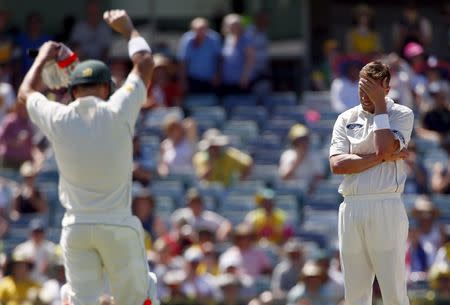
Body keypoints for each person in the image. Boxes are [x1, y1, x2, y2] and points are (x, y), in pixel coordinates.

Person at [17, 9, 156, 305]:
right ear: (106, 88)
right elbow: (144, 62)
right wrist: (129, 30)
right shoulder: (119, 108)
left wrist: (42, 56)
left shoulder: (58, 116)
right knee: (144, 296)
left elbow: (25, 93)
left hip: (76, 228)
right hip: (117, 225)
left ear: (72, 90)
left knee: (81, 301)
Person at [329, 61, 414, 305]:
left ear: (386, 88)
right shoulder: (346, 118)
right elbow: (337, 165)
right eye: (362, 89)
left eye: (373, 89)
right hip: (351, 206)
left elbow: (384, 145)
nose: (366, 96)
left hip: (386, 204)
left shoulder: (402, 114)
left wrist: (380, 107)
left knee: (393, 290)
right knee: (355, 293)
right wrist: (380, 158)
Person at [178, 17, 221, 94]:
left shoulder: (214, 38)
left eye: (203, 29)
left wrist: (217, 75)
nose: (200, 32)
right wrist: (183, 81)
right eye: (197, 29)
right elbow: (183, 61)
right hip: (193, 79)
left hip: (210, 79)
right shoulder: (187, 39)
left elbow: (218, 58)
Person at [279, 124, 325, 194]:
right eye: (300, 140)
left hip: (311, 191)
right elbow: (284, 177)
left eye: (305, 139)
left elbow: (319, 176)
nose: (303, 143)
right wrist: (298, 159)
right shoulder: (287, 155)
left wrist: (310, 189)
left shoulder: (315, 155)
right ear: (294, 142)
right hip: (292, 191)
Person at [220, 14, 255, 95]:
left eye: (236, 25)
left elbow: (250, 59)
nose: (233, 27)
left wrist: (245, 77)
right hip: (228, 81)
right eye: (230, 25)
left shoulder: (246, 39)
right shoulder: (228, 38)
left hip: (242, 82)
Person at [14, 218, 57, 283]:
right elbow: (16, 267)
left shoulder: (51, 247)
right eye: (35, 232)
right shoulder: (22, 249)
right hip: (26, 283)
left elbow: (57, 268)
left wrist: (49, 265)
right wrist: (25, 262)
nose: (37, 234)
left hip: (46, 282)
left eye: (39, 232)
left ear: (44, 233)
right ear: (30, 233)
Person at [0, 103, 36, 170]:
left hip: (24, 159)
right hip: (10, 159)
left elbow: (31, 142)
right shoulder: (10, 120)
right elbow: (2, 137)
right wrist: (13, 142)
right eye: (23, 109)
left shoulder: (28, 123)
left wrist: (33, 157)